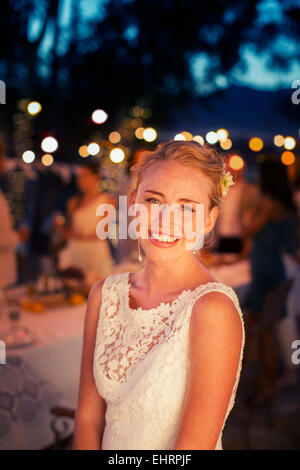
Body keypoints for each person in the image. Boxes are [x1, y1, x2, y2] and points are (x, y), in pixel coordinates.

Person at [73, 141, 245, 450]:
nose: (166, 221)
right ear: (133, 202)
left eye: (186, 207)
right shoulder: (104, 295)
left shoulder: (211, 309)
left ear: (208, 221)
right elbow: (88, 419)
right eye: (154, 200)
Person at [57, 161, 117, 282]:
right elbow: (69, 232)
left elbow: (101, 233)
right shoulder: (73, 202)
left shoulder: (107, 201)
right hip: (76, 252)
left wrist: (76, 236)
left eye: (85, 176)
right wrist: (60, 227)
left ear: (96, 177)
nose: (81, 181)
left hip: (95, 254)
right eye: (79, 177)